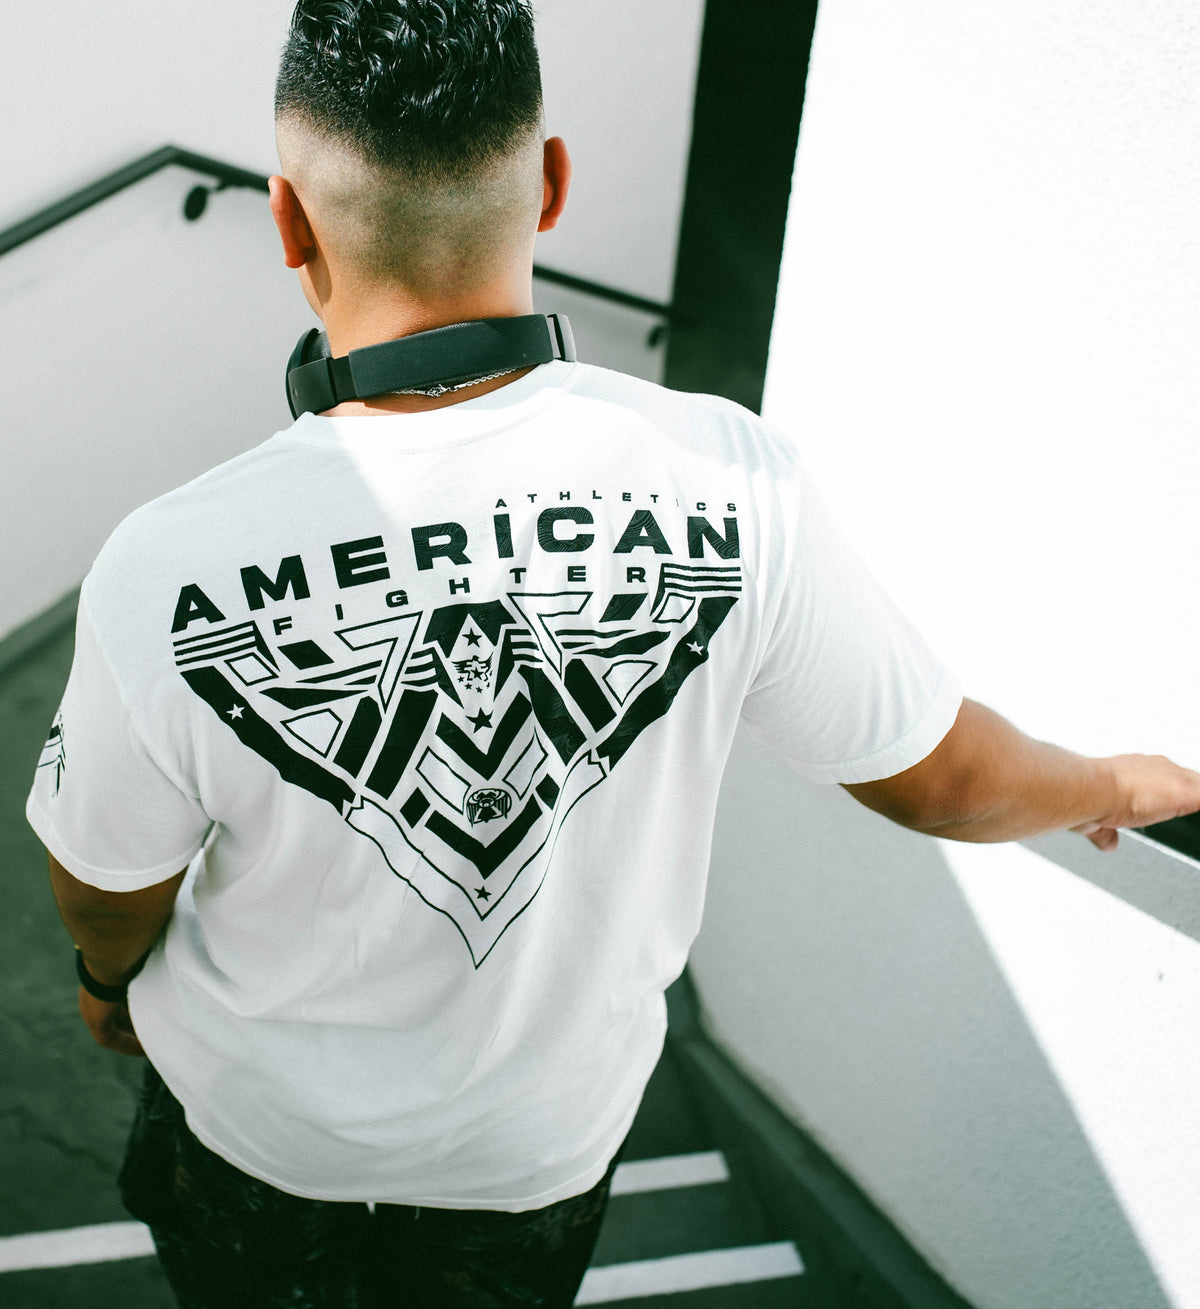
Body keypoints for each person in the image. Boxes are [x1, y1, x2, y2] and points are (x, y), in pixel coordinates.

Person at [26, 1, 1200, 1305]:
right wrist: (1111, 782)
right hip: (527, 1164)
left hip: (252, 1140)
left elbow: (108, 881)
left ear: (288, 220)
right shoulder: (733, 481)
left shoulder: (164, 564)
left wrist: (106, 983)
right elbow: (944, 779)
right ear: (553, 185)